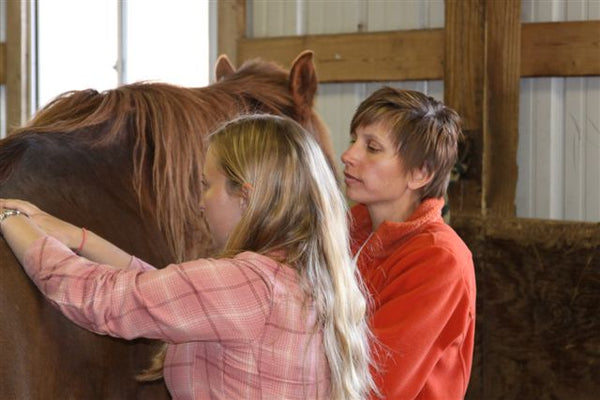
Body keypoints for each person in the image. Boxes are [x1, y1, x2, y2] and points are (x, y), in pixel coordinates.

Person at [0, 114, 376, 400]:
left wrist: (8, 217)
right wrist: (77, 237)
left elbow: (101, 299)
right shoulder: (302, 278)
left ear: (244, 197)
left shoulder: (247, 283)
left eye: (206, 185)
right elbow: (171, 292)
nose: (199, 202)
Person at [341, 87, 476, 399]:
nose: (348, 155)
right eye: (353, 140)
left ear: (419, 173)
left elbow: (376, 382)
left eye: (372, 148)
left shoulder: (439, 260)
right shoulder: (344, 232)